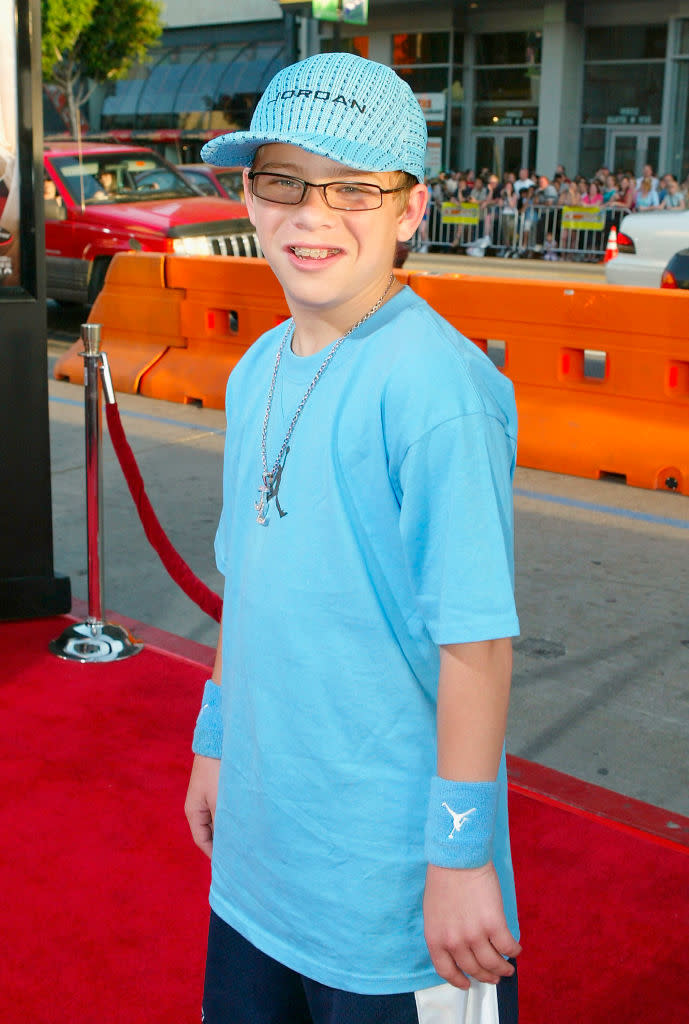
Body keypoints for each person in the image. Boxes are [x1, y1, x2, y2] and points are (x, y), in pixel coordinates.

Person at [185, 52, 522, 1024]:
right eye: (281, 182)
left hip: (395, 900)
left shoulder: (438, 389)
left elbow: (476, 643)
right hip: (259, 864)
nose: (309, 215)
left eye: (350, 190)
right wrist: (215, 745)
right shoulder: (254, 368)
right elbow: (243, 590)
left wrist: (459, 856)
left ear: (408, 211)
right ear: (247, 197)